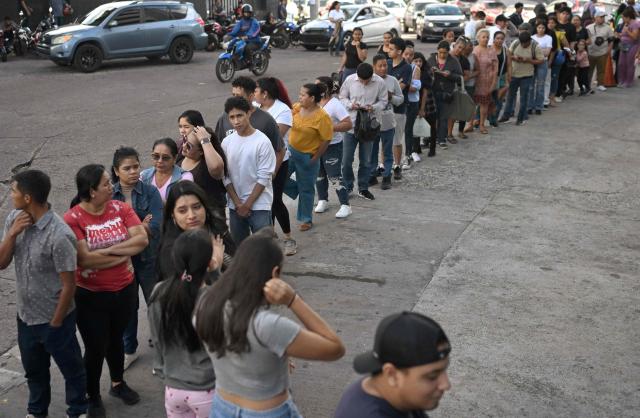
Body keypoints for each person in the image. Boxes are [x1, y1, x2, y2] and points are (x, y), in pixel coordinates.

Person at [195, 229, 345, 418]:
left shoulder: (204, 306)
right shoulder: (268, 325)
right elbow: (336, 348)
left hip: (222, 407)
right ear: (275, 273)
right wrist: (293, 300)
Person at [0, 170, 88, 418]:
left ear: (28, 197)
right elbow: (1, 262)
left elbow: (69, 285)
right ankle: (37, 411)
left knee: (72, 370)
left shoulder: (59, 235)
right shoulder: (15, 219)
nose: (11, 195)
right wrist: (11, 234)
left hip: (55, 319)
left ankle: (78, 410)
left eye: (14, 190)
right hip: (26, 317)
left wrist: (57, 323)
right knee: (34, 372)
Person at [64, 164, 149, 417]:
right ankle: (93, 395)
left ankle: (117, 383)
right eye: (104, 183)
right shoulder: (73, 218)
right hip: (91, 295)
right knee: (95, 346)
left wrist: (105, 253)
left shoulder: (121, 208)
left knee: (116, 340)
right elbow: (85, 260)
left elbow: (142, 240)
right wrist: (123, 251)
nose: (111, 186)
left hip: (124, 289)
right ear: (91, 191)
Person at [148, 229, 223, 418]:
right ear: (209, 263)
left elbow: (157, 339)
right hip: (207, 389)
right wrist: (216, 272)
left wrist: (161, 370)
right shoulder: (212, 299)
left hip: (173, 389)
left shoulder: (159, 292)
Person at [334, 312, 451, 418]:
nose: (446, 384)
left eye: (444, 369)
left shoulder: (388, 390)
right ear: (391, 374)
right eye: (432, 376)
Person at [111, 147, 164, 370]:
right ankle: (129, 350)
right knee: (127, 307)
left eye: (135, 167)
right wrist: (138, 228)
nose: (133, 172)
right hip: (123, 262)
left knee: (157, 305)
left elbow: (156, 225)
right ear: (116, 170)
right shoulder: (110, 195)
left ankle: (163, 354)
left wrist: (131, 230)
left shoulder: (150, 192)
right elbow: (109, 232)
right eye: (127, 168)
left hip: (149, 259)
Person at [221, 96, 276, 243]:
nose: (236, 121)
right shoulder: (226, 143)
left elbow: (264, 177)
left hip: (259, 205)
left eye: (240, 115)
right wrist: (238, 203)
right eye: (232, 117)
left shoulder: (262, 142)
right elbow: (224, 176)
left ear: (249, 113)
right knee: (240, 250)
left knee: (263, 248)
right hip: (235, 206)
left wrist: (247, 204)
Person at [158, 181, 234, 282]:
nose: (191, 215)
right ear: (173, 215)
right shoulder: (171, 250)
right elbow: (183, 290)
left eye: (196, 207)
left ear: (205, 207)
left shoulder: (218, 230)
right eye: (182, 211)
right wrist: (214, 269)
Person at [254, 77, 297, 254]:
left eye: (256, 90)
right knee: (263, 202)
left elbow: (274, 138)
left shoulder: (283, 110)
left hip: (279, 162)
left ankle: (288, 238)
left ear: (265, 93)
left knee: (275, 200)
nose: (253, 93)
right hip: (258, 162)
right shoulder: (255, 108)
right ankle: (268, 235)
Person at [285, 84, 334, 229]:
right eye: (300, 94)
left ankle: (306, 219)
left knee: (307, 189)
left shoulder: (322, 117)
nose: (299, 97)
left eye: (303, 95)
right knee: (278, 178)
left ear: (312, 98)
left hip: (308, 156)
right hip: (291, 152)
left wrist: (316, 157)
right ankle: (298, 190)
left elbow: (327, 139)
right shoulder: (297, 108)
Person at [339, 62, 388, 201]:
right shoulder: (350, 80)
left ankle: (363, 188)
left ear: (371, 76)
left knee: (366, 160)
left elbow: (384, 102)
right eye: (361, 80)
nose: (364, 83)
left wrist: (373, 107)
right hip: (351, 124)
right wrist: (350, 105)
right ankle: (348, 186)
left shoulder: (379, 82)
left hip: (369, 126)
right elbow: (342, 97)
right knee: (346, 160)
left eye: (366, 81)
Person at [215, 77, 284, 165]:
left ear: (251, 96)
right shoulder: (225, 117)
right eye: (233, 95)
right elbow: (217, 147)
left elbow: (280, 150)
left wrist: (272, 173)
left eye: (239, 96)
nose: (235, 120)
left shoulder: (266, 120)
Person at [176, 110, 227, 217]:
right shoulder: (180, 155)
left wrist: (205, 141)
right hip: (188, 215)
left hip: (210, 215)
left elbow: (216, 168)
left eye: (189, 146)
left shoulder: (208, 161)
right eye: (185, 144)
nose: (184, 148)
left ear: (201, 151)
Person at [314, 76, 353, 214]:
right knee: (319, 174)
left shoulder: (335, 104)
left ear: (324, 89)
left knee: (334, 176)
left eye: (317, 86)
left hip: (332, 146)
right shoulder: (315, 102)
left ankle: (345, 205)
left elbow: (348, 124)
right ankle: (322, 200)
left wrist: (331, 128)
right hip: (315, 146)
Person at [370, 54, 403, 190]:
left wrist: (391, 97)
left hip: (388, 120)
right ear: (374, 67)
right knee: (372, 149)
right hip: (373, 121)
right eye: (380, 66)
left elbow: (400, 99)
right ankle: (372, 174)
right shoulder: (369, 80)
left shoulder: (393, 80)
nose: (384, 68)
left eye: (385, 65)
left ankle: (386, 176)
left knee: (387, 149)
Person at [499, 31, 544, 125]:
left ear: (529, 41)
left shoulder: (535, 46)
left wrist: (528, 60)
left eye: (525, 43)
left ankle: (521, 117)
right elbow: (508, 54)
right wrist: (514, 58)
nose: (523, 45)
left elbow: (540, 60)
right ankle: (506, 116)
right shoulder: (515, 43)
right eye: (522, 43)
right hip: (514, 74)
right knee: (510, 96)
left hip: (527, 75)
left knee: (524, 97)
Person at [427, 41, 463, 148]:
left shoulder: (454, 61)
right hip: (432, 92)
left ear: (448, 52)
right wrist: (431, 72)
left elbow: (459, 77)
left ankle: (442, 139)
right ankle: (430, 138)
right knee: (432, 117)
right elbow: (424, 73)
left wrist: (450, 75)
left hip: (446, 93)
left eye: (445, 53)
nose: (442, 55)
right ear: (437, 51)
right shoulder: (431, 59)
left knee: (443, 117)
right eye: (440, 52)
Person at [386, 37, 413, 178]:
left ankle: (397, 165)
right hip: (384, 109)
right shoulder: (386, 64)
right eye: (388, 48)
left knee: (397, 139)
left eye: (391, 49)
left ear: (400, 51)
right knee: (384, 139)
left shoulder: (406, 67)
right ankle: (384, 165)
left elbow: (399, 90)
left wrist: (388, 90)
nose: (388, 51)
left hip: (399, 108)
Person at [141, 138, 194, 203]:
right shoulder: (144, 176)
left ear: (175, 158)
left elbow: (183, 203)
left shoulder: (184, 178)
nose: (160, 161)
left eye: (165, 158)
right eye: (156, 156)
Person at [472, 29, 498, 134]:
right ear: (478, 38)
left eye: (487, 37)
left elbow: (495, 68)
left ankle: (482, 125)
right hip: (475, 81)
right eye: (483, 37)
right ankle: (470, 123)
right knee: (472, 104)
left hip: (487, 81)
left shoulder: (491, 51)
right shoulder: (474, 50)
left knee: (484, 104)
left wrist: (493, 83)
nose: (486, 39)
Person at [403, 41, 422, 164]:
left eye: (411, 55)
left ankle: (409, 153)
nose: (408, 57)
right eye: (406, 54)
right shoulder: (395, 66)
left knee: (408, 128)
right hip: (400, 102)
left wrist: (401, 84)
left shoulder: (415, 68)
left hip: (411, 102)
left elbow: (414, 88)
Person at [586, 10, 614, 92]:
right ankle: (587, 84)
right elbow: (585, 39)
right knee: (589, 70)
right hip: (590, 52)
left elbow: (611, 40)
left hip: (602, 52)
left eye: (603, 17)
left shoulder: (608, 28)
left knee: (601, 70)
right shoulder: (588, 27)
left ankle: (600, 84)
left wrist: (608, 50)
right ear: (596, 18)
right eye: (601, 17)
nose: (603, 19)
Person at [529, 22, 553, 114]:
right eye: (539, 27)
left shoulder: (548, 38)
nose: (541, 29)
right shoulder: (532, 38)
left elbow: (547, 53)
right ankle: (530, 106)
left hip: (543, 62)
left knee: (540, 85)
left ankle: (539, 106)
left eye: (543, 27)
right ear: (536, 28)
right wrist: (541, 50)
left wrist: (536, 50)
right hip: (532, 62)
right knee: (531, 85)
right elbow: (530, 51)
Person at [489, 31, 512, 126]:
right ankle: (479, 119)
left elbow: (509, 65)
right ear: (494, 39)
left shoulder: (506, 51)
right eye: (497, 38)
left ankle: (493, 119)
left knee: (498, 100)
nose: (499, 40)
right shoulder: (489, 49)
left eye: (501, 39)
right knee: (487, 99)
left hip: (501, 76)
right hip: (489, 77)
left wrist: (509, 78)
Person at [555, 7, 577, 99]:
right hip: (554, 52)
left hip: (565, 53)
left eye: (567, 14)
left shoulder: (571, 27)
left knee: (563, 74)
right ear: (559, 14)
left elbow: (572, 42)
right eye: (563, 13)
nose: (565, 15)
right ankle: (553, 93)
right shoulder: (555, 24)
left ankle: (559, 93)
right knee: (554, 74)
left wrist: (571, 54)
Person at [616, 7, 640, 88]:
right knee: (621, 64)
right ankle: (621, 80)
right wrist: (619, 35)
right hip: (623, 46)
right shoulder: (626, 24)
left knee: (629, 65)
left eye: (623, 17)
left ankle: (628, 81)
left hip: (632, 46)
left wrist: (627, 31)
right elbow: (623, 34)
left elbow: (635, 37)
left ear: (628, 17)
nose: (622, 19)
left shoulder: (636, 24)